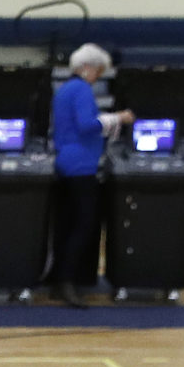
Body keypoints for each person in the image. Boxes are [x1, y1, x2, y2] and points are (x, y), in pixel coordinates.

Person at [46, 44, 133, 309]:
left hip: (65, 160)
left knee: (66, 223)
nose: (98, 77)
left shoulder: (65, 89)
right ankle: (68, 282)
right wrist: (118, 118)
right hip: (80, 165)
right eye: (98, 71)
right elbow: (86, 125)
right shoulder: (82, 89)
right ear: (87, 68)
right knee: (84, 224)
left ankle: (59, 280)